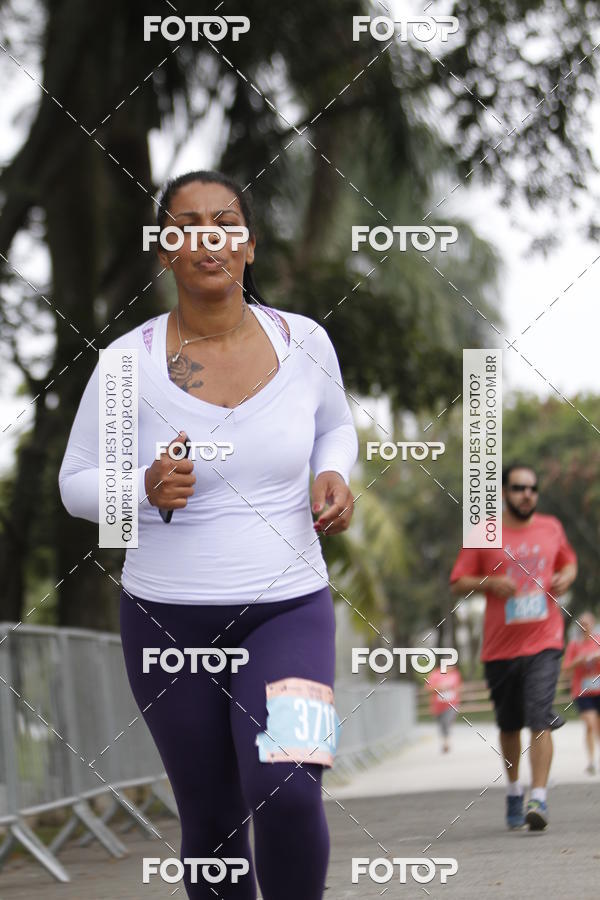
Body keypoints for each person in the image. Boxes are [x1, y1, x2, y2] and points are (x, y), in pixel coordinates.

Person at [59, 170, 358, 900]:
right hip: (167, 622)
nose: (208, 237)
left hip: (292, 609)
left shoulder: (305, 342)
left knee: (290, 788)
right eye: (187, 224)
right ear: (166, 250)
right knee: (214, 822)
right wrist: (141, 487)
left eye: (225, 222)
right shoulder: (125, 364)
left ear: (249, 246)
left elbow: (337, 425)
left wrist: (334, 472)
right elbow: (75, 483)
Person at [449, 463, 577, 831]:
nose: (528, 495)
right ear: (505, 492)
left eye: (533, 489)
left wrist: (566, 576)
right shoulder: (485, 531)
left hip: (545, 640)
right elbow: (457, 581)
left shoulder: (551, 527)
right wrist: (488, 582)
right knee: (509, 726)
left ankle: (539, 797)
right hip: (500, 648)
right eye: (520, 488)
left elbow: (569, 564)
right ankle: (514, 791)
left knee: (540, 716)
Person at [563, 612, 600, 774]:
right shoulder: (574, 645)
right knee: (590, 724)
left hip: (598, 688)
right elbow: (565, 669)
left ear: (593, 624)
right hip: (582, 691)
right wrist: (578, 661)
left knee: (597, 727)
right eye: (582, 623)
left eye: (587, 623)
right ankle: (591, 761)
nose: (585, 626)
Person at [426, 663, 462, 752]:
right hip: (438, 705)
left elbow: (459, 687)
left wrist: (453, 689)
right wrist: (440, 687)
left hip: (452, 704)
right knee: (441, 724)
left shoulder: (455, 674)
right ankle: (444, 740)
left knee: (447, 721)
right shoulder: (435, 674)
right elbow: (428, 688)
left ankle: (446, 742)